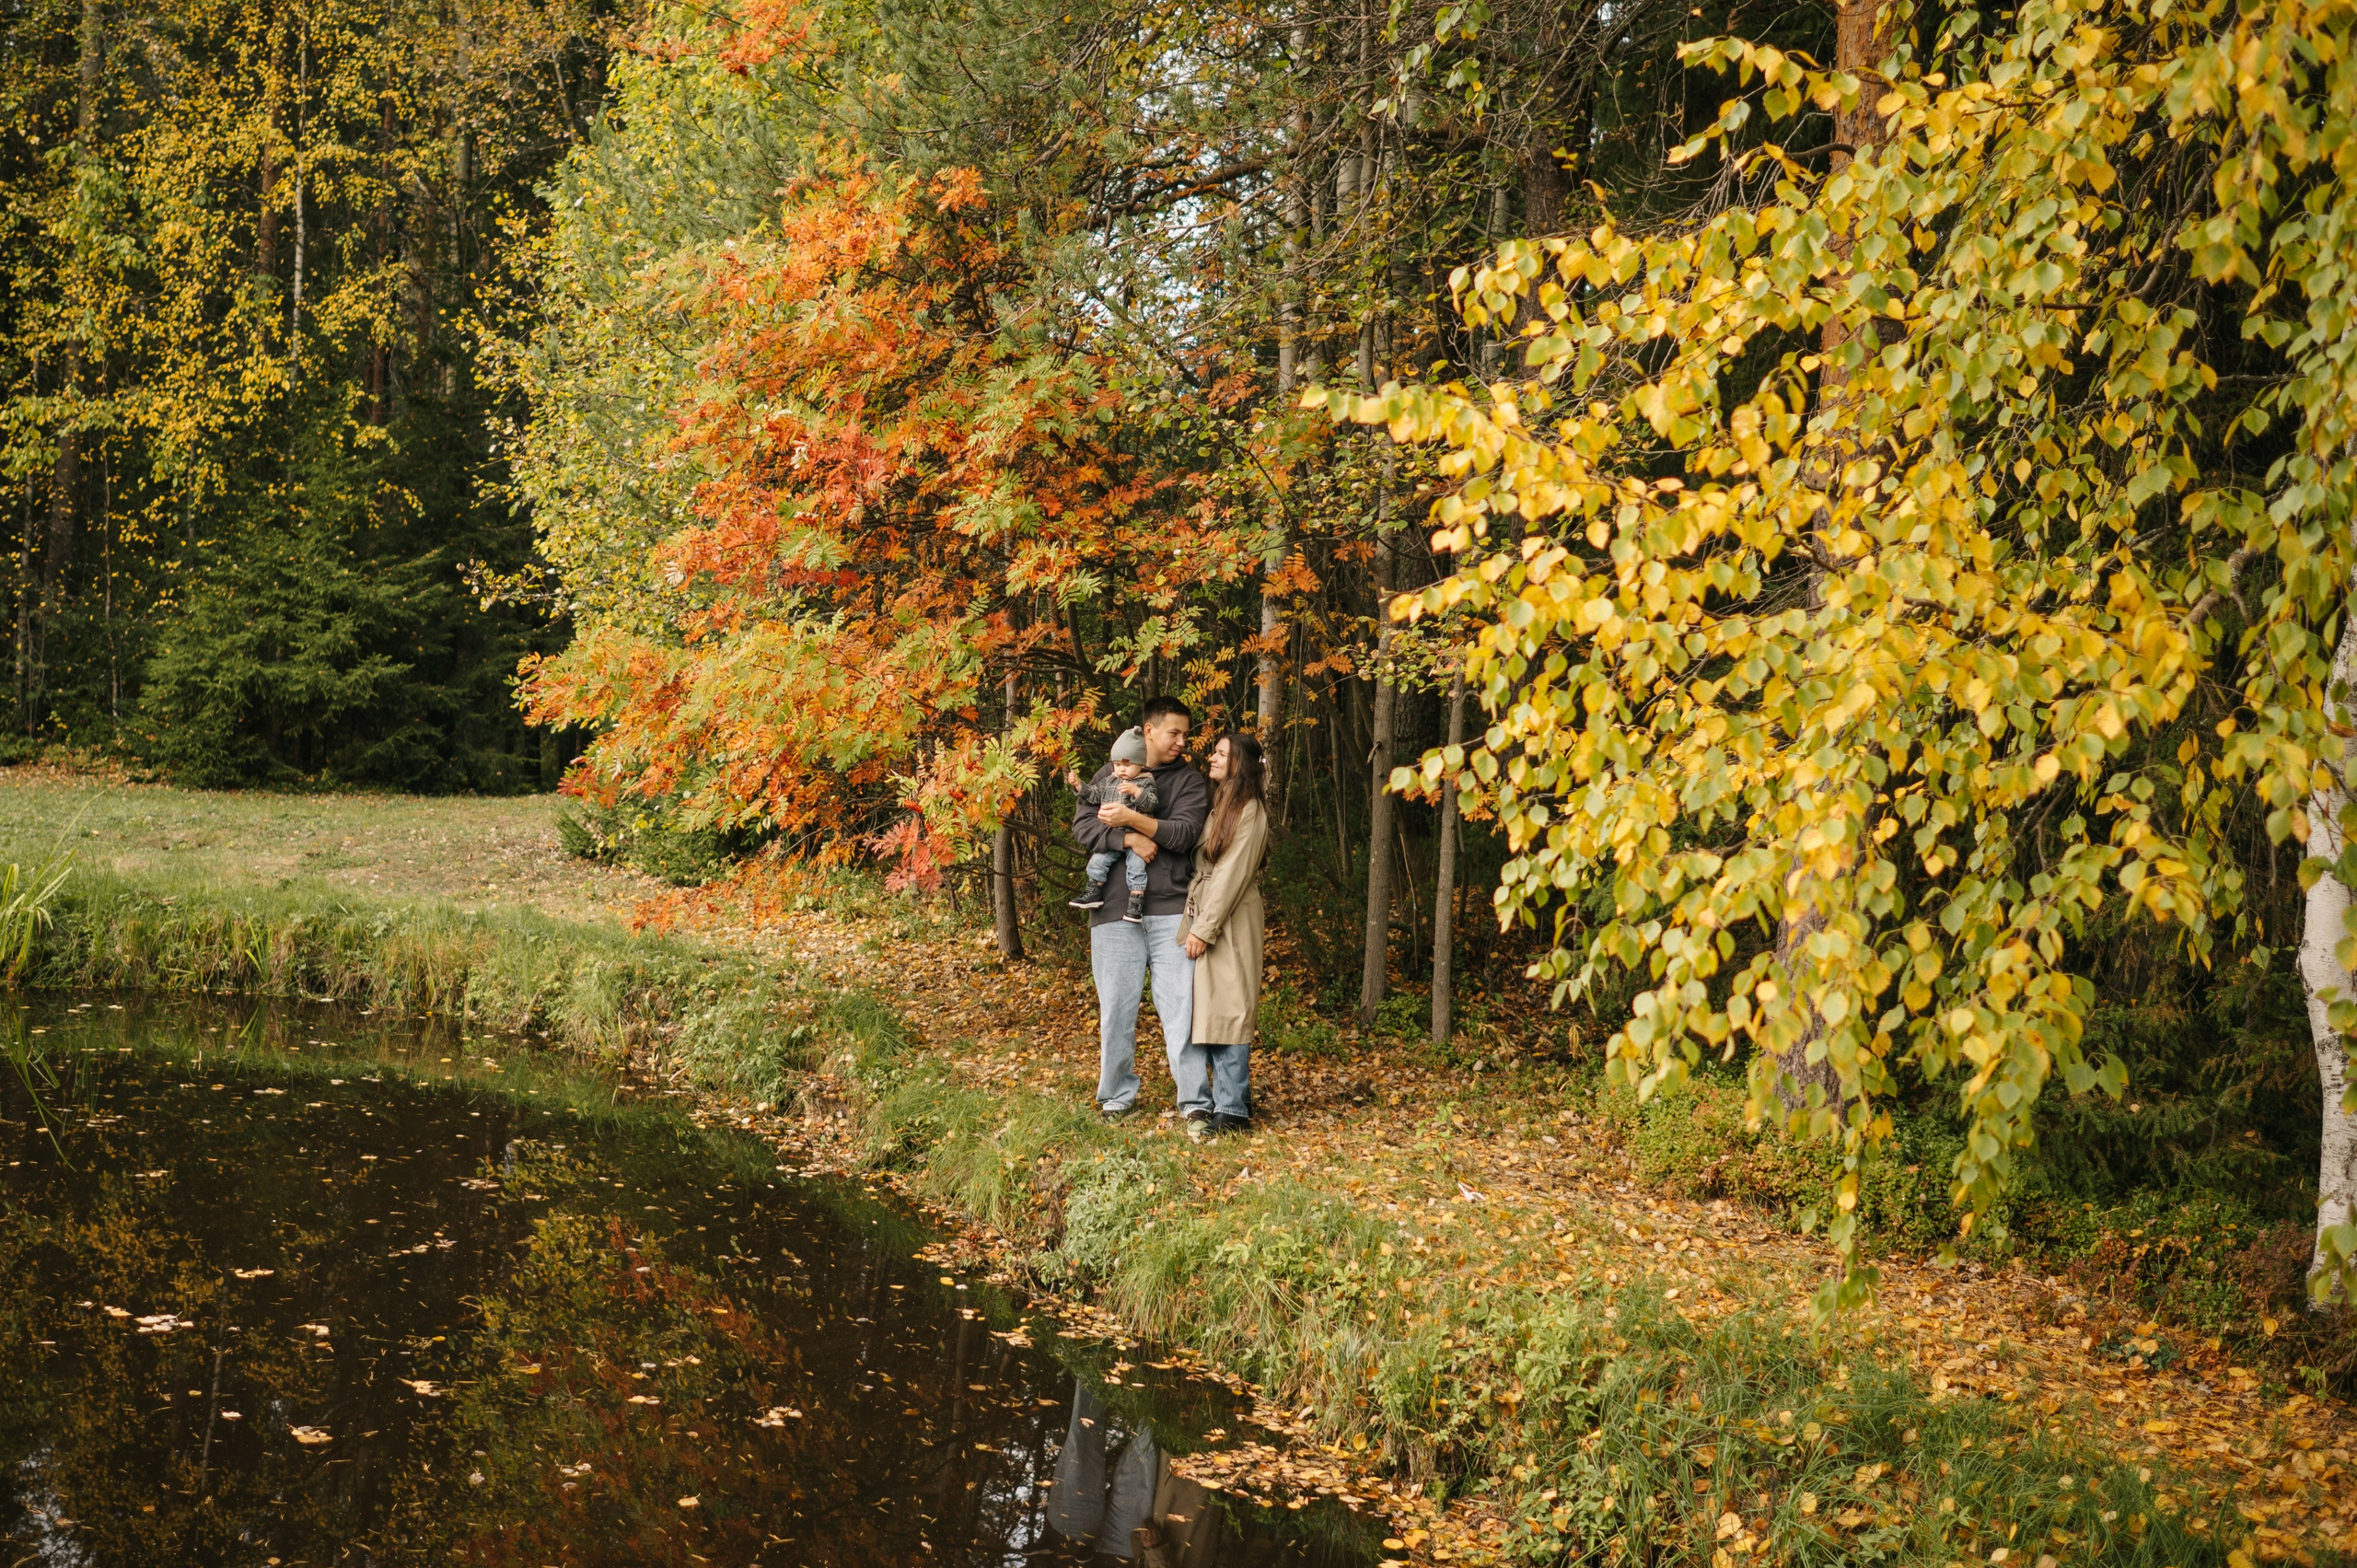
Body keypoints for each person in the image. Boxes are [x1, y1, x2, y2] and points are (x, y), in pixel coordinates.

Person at [1070, 697, 1211, 1120]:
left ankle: (1194, 1102)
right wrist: (1129, 839)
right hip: (1113, 911)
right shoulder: (1111, 772)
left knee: (1181, 1011)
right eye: (1174, 733)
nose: (1181, 742)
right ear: (1149, 731)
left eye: (1185, 734)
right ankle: (1116, 1097)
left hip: (1172, 912)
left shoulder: (1189, 781)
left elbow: (1184, 834)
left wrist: (1132, 820)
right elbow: (1083, 825)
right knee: (1115, 1010)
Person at [1178, 732, 1270, 1139]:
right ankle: (1231, 1101)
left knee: (1231, 1007)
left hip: (1230, 915)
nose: (1211, 758)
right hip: (1210, 907)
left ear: (1239, 764)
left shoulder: (1249, 808)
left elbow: (1232, 874)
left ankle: (1233, 1110)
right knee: (1213, 1008)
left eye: (1220, 753)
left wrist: (1204, 928)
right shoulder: (1223, 803)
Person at [1066, 726, 1159, 923]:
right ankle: (1094, 891)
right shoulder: (1109, 780)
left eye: (1127, 765)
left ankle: (1136, 901)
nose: (1121, 769)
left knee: (1136, 866)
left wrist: (1136, 792)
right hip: (1114, 835)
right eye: (1117, 764)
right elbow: (1093, 794)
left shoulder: (1145, 781)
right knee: (1098, 860)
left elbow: (1152, 804)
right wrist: (1079, 785)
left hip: (1138, 835)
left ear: (1141, 764)